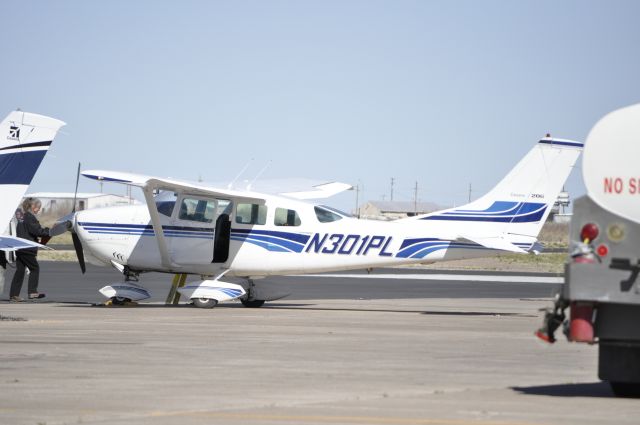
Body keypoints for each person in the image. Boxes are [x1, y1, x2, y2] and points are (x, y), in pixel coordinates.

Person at [9, 198, 50, 302]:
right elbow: (37, 231)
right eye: (38, 208)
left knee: (20, 271)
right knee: (35, 268)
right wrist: (49, 231)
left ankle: (14, 295)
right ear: (33, 207)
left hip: (19, 247)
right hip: (27, 248)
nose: (38, 210)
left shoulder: (22, 217)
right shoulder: (30, 217)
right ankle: (32, 292)